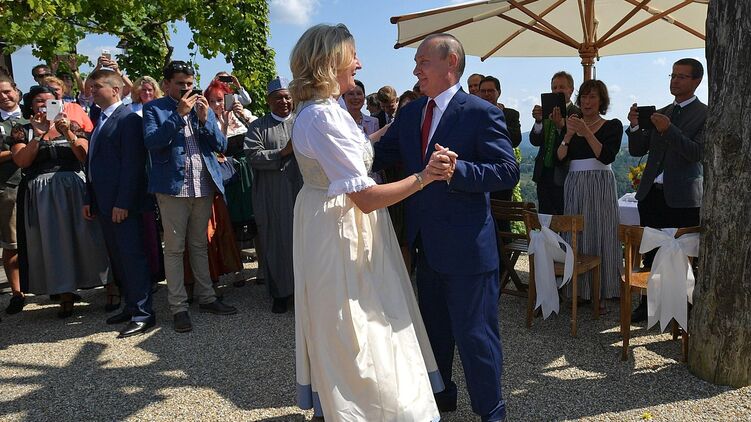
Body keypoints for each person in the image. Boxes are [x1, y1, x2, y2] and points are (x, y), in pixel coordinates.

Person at [290, 23, 447, 421]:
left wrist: (395, 128)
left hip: (336, 217)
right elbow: (364, 197)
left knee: (363, 315)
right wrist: (424, 176)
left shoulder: (328, 111)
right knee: (354, 322)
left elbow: (350, 154)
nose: (359, 63)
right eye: (353, 56)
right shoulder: (322, 117)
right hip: (339, 226)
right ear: (330, 62)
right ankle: (365, 409)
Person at [374, 33, 519, 422]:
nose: (415, 70)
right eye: (416, 63)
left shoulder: (480, 112)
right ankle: (441, 399)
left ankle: (492, 412)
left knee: (476, 337)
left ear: (450, 62)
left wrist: (459, 171)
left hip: (468, 251)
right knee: (433, 335)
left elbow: (507, 170)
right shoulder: (410, 114)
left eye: (423, 61)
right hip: (425, 248)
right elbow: (379, 155)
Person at [143, 60, 237, 333]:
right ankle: (178, 307)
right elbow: (152, 143)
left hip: (203, 185)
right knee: (174, 249)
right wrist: (178, 115)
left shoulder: (201, 107)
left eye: (189, 84)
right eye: (180, 84)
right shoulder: (154, 109)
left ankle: (206, 297)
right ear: (166, 85)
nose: (186, 89)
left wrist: (206, 119)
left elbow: (221, 145)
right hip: (173, 188)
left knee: (199, 245)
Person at [11, 85, 111, 318]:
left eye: (50, 100)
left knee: (90, 237)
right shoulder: (23, 130)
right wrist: (39, 135)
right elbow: (22, 161)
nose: (45, 105)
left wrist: (67, 132)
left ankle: (110, 286)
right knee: (53, 243)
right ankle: (65, 293)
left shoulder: (72, 125)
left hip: (75, 187)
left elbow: (84, 156)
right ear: (31, 105)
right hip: (41, 193)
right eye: (39, 101)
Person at [627, 58, 707, 322]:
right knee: (650, 251)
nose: (675, 80)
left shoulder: (706, 114)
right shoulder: (661, 112)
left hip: (683, 198)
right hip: (651, 195)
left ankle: (683, 307)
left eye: (681, 76)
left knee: (682, 256)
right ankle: (648, 303)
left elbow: (697, 153)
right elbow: (638, 150)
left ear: (697, 81)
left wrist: (669, 129)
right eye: (672, 75)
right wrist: (635, 126)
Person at [84, 69, 155, 338]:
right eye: (91, 87)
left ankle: (143, 313)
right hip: (104, 203)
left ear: (115, 90)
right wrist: (90, 198)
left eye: (97, 86)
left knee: (132, 256)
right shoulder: (101, 119)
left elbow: (132, 166)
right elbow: (94, 162)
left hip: (123, 205)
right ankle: (131, 305)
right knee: (119, 258)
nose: (92, 91)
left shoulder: (128, 119)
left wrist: (123, 202)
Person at [556, 79, 622, 309]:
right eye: (583, 97)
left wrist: (586, 132)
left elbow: (606, 156)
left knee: (601, 230)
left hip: (600, 182)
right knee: (576, 232)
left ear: (601, 101)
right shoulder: (572, 125)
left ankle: (603, 290)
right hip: (575, 182)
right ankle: (578, 289)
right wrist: (568, 135)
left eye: (592, 96)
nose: (587, 101)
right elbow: (560, 157)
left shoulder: (612, 125)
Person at [245, 76, 302, 314]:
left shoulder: (302, 122)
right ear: (269, 101)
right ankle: (280, 293)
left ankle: (304, 293)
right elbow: (252, 156)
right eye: (278, 98)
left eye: (287, 97)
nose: (284, 102)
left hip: (301, 191)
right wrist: (282, 152)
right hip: (272, 194)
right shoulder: (258, 127)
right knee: (276, 241)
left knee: (302, 241)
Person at [530, 71, 580, 215]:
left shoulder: (576, 113)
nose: (557, 91)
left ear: (571, 90)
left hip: (564, 174)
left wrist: (561, 126)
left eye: (561, 87)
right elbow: (535, 141)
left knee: (563, 216)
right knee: (545, 217)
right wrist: (538, 121)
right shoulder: (547, 111)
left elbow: (576, 144)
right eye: (554, 88)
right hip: (543, 174)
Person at [0, 75, 24, 315]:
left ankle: (53, 286)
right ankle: (17, 293)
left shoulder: (34, 114)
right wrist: (16, 152)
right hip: (8, 186)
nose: (4, 96)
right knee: (12, 242)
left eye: (7, 91)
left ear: (16, 90)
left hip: (37, 184)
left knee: (42, 238)